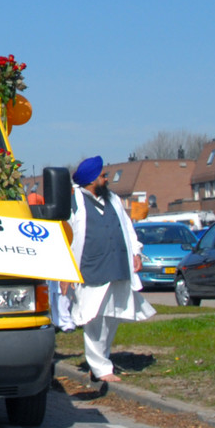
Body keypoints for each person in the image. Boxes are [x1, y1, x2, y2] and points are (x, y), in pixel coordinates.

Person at [65, 155, 155, 383]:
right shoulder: (74, 201)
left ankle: (102, 361)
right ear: (92, 180)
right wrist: (65, 272)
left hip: (116, 266)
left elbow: (127, 227)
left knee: (112, 316)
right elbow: (66, 235)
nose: (107, 179)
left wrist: (136, 252)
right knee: (94, 318)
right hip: (90, 269)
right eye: (103, 176)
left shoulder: (113, 199)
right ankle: (101, 368)